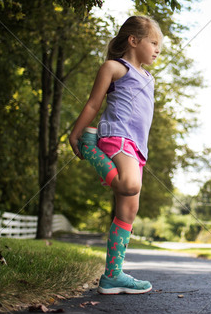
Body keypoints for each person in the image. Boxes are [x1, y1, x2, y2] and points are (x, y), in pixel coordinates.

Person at [69, 15, 162, 294]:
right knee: (130, 184)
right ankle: (90, 145)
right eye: (154, 42)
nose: (158, 49)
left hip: (137, 146)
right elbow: (93, 103)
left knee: (129, 209)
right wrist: (76, 134)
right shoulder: (114, 67)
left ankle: (112, 275)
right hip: (116, 136)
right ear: (133, 41)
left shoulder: (149, 77)